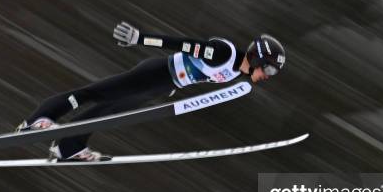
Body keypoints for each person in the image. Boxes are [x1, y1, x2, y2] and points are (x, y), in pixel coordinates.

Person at [16, 22, 286, 161]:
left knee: (108, 112)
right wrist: (141, 38)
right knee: (96, 94)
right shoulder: (224, 53)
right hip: (156, 73)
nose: (267, 77)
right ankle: (38, 121)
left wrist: (171, 89)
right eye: (269, 70)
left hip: (164, 85)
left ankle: (68, 146)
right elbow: (182, 44)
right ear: (259, 58)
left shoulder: (238, 72)